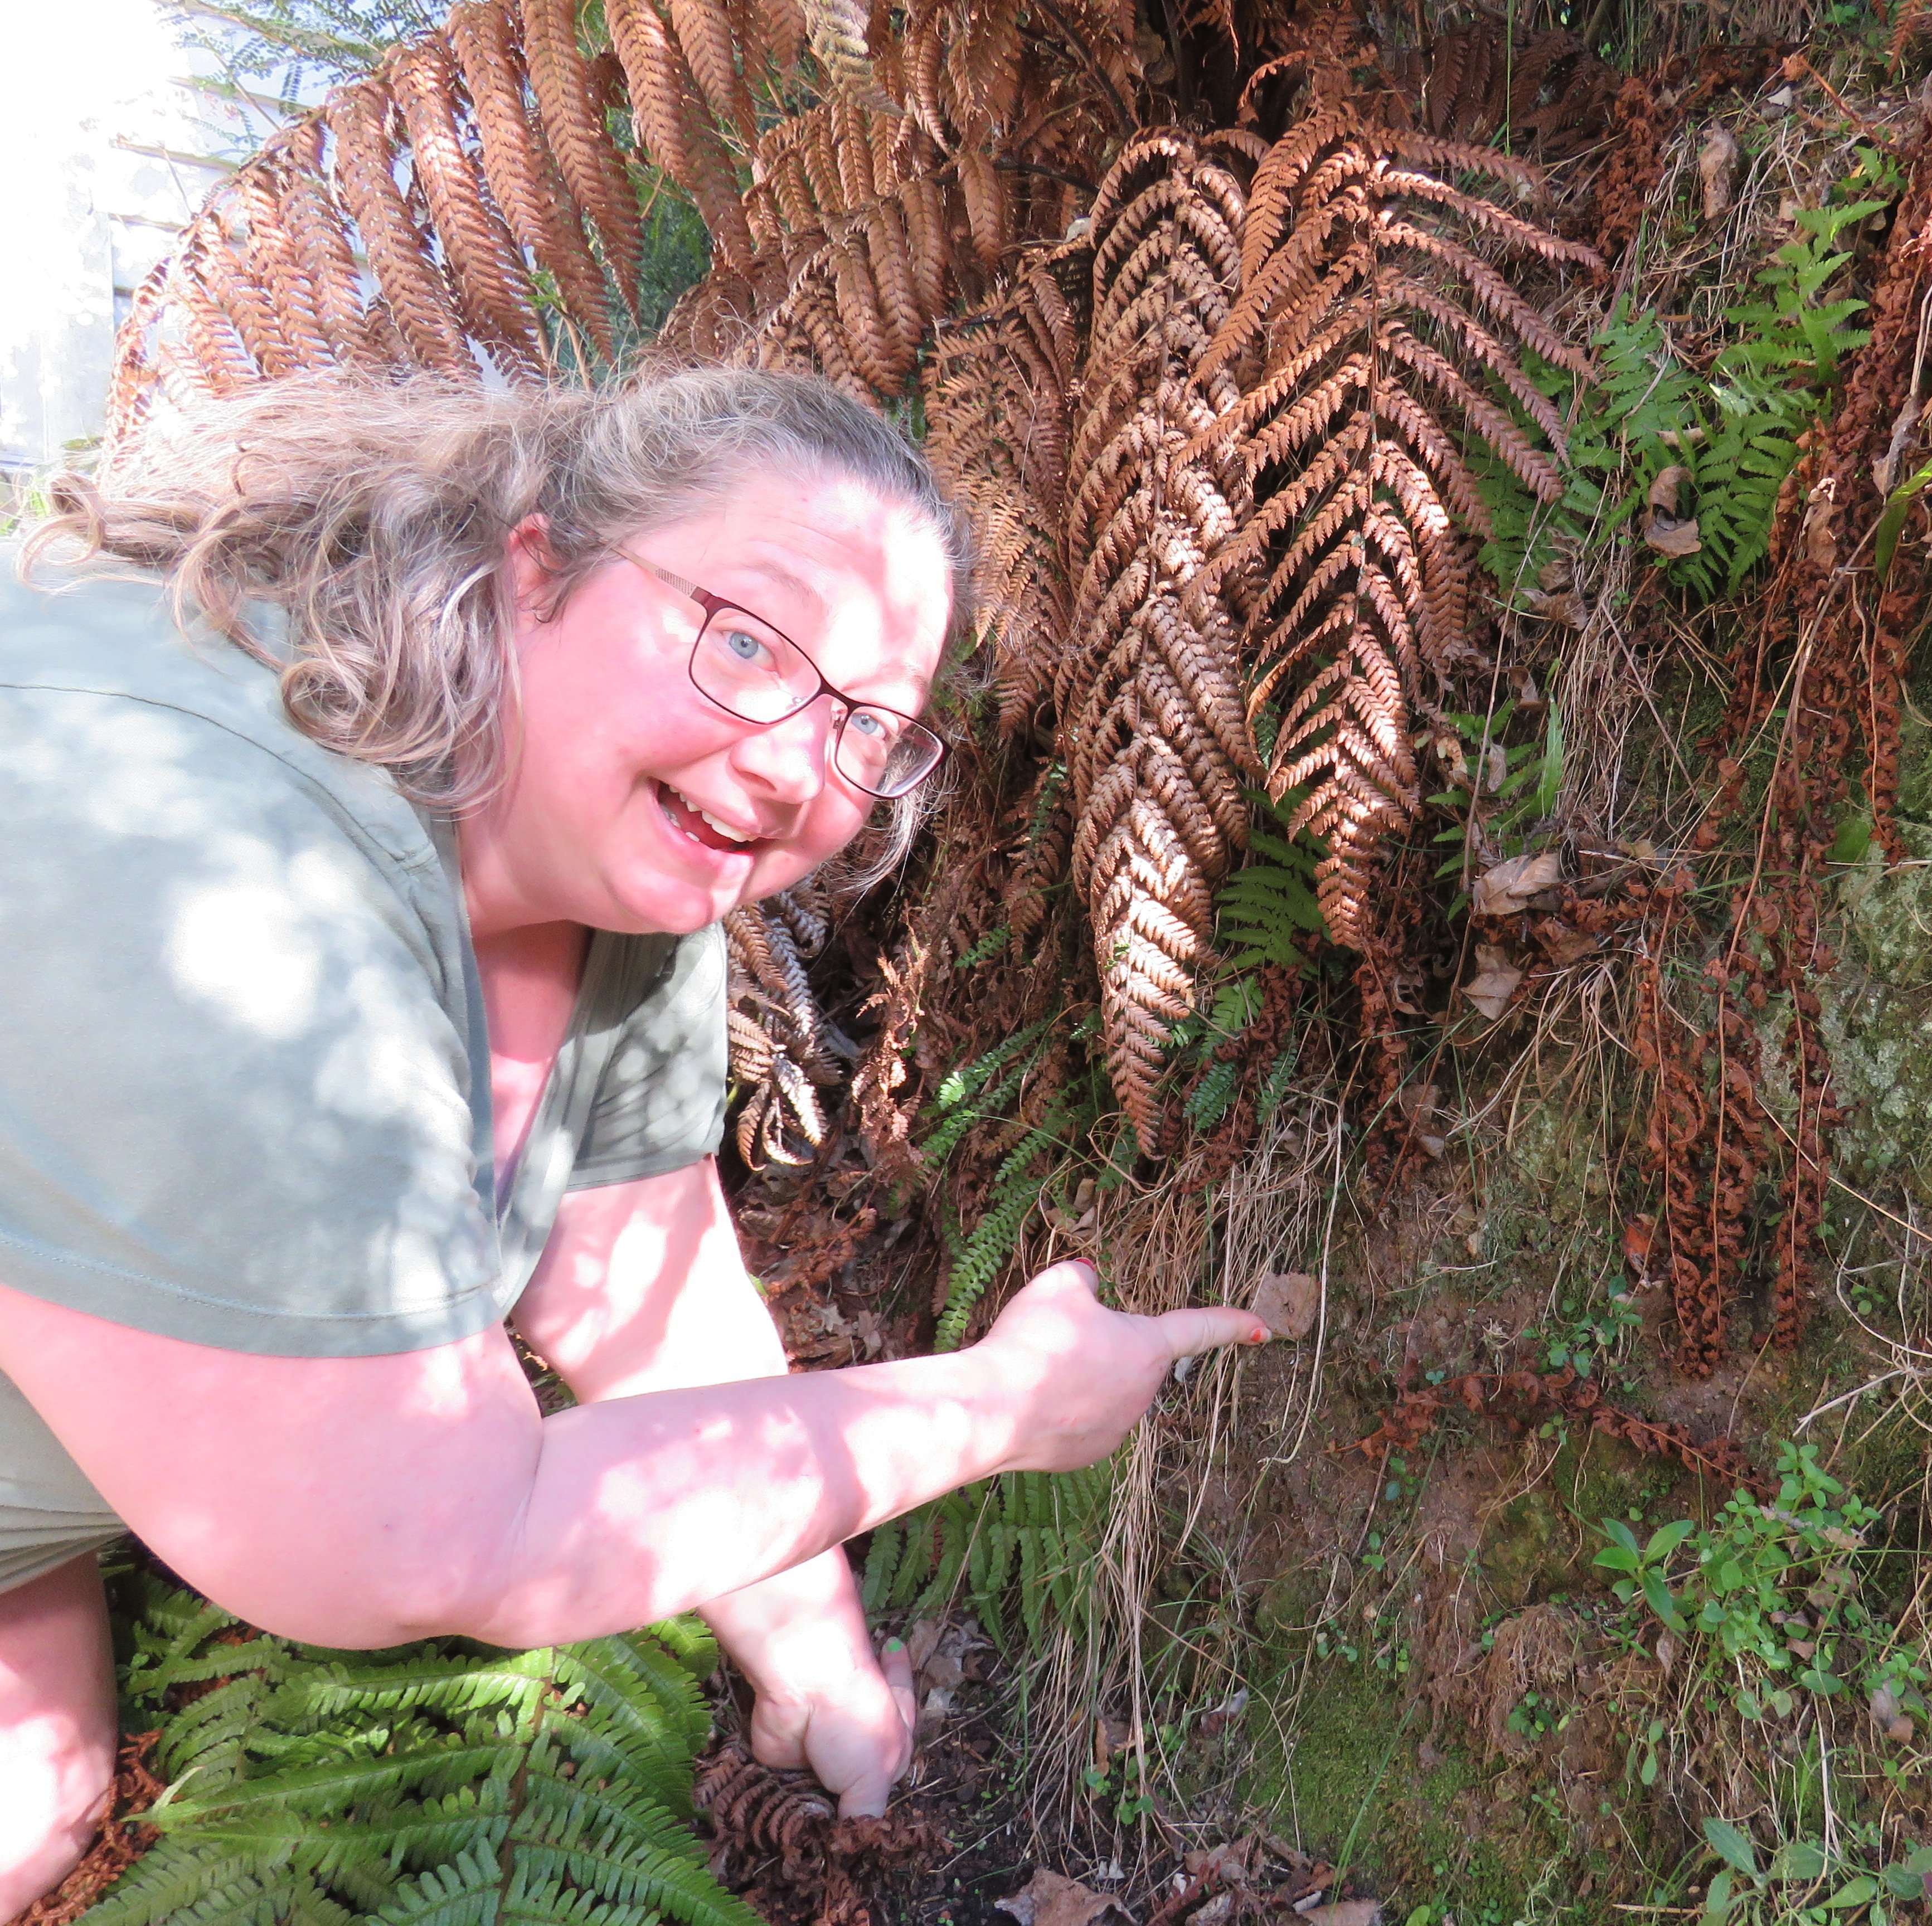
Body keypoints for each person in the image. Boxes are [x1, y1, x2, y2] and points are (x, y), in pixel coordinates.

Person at [0, 368, 1265, 1908]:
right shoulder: (198, 876)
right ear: (537, 566)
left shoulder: (613, 862)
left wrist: (813, 1658)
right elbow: (423, 1540)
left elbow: (637, 1284)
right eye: (747, 642)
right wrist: (998, 1409)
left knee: (44, 1789)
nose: (803, 769)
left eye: (872, 726)